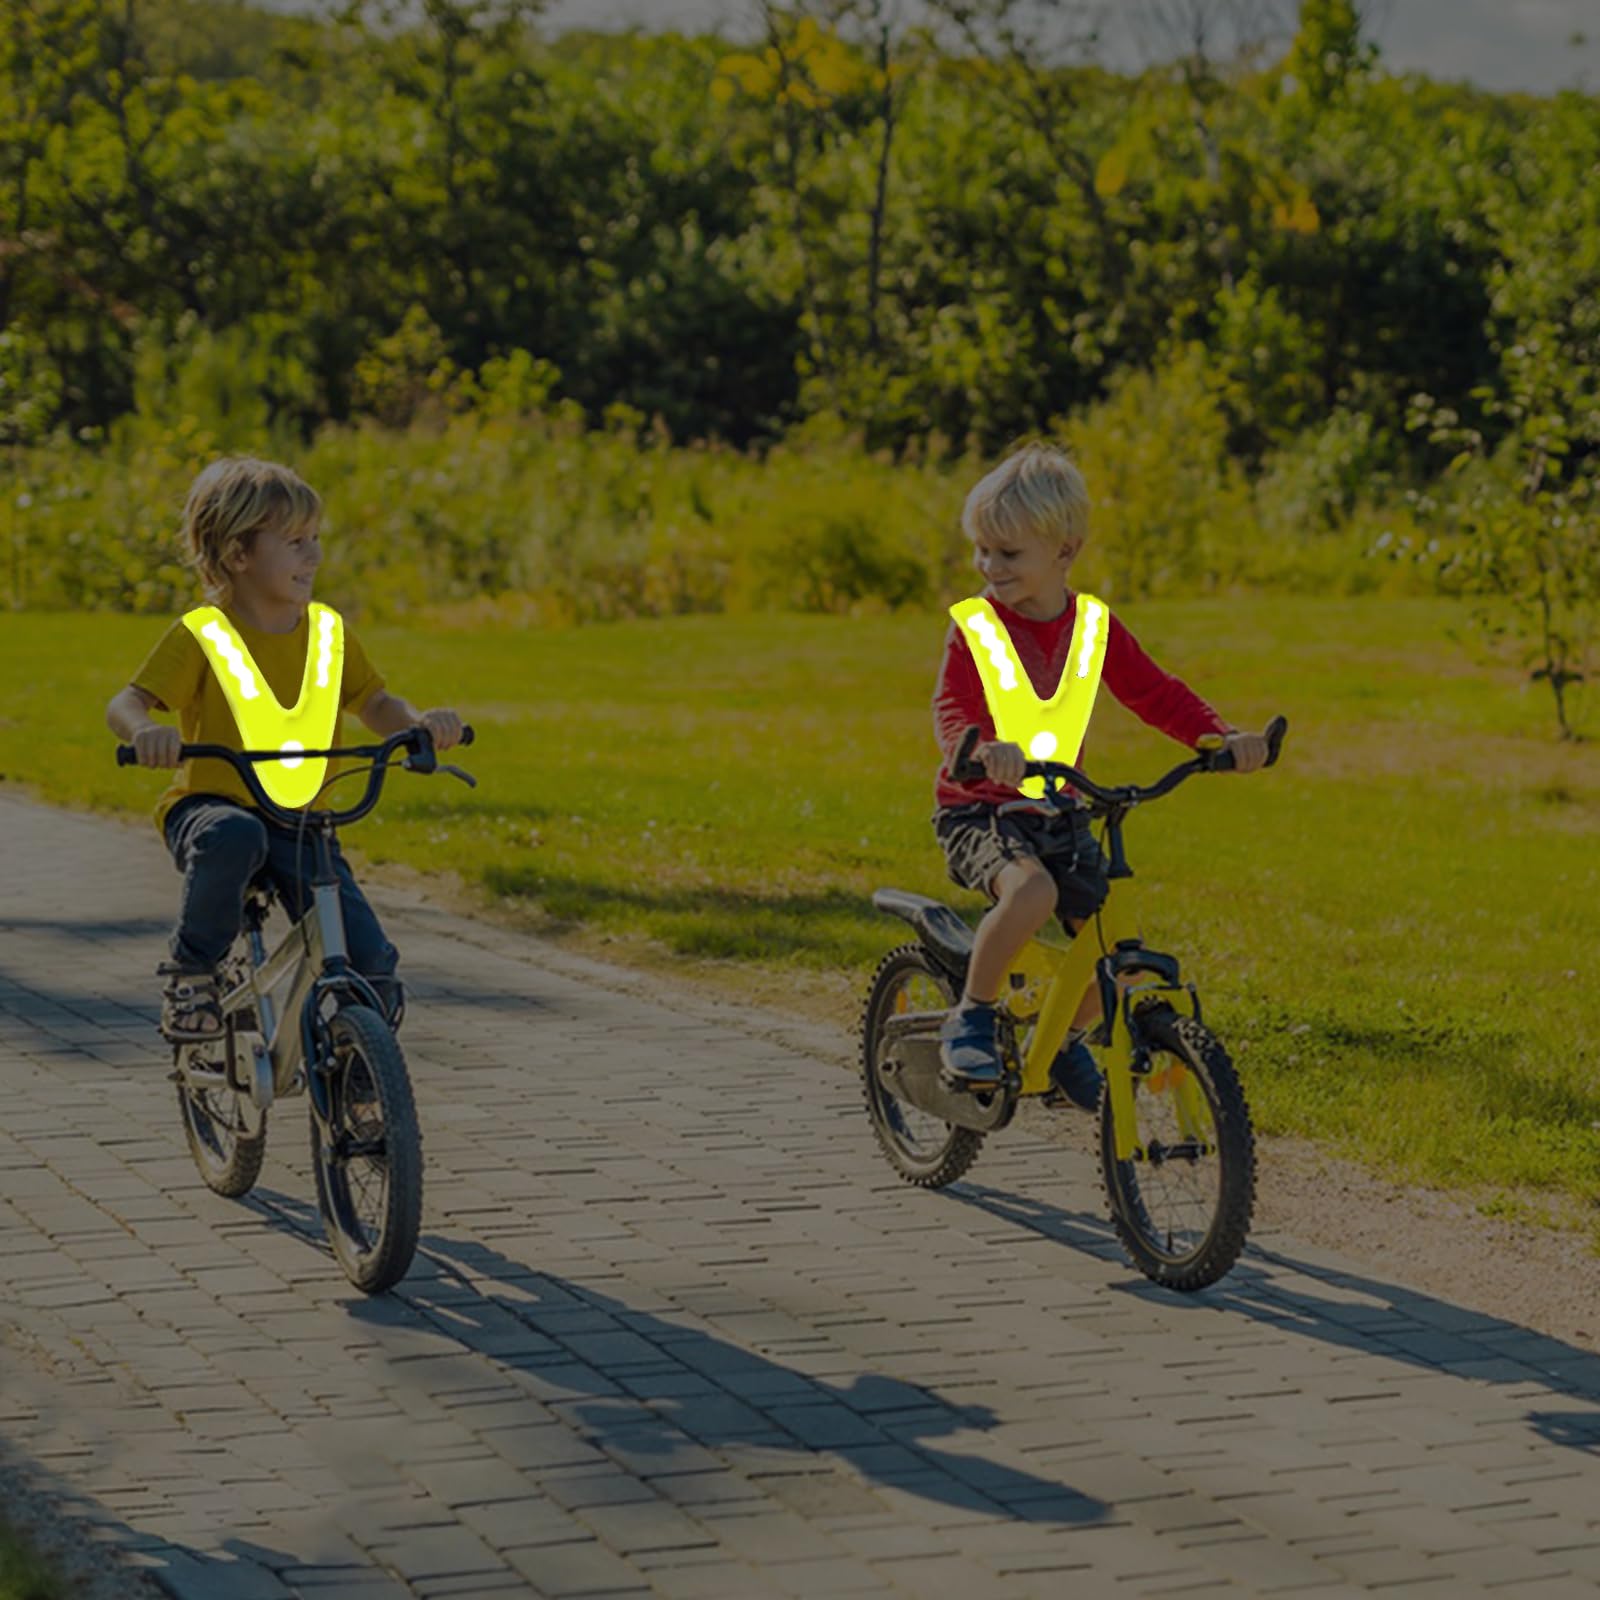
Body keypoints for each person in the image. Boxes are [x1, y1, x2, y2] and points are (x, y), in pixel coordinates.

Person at [932, 443, 1269, 1101]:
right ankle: (971, 1015)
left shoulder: (1093, 628)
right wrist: (980, 748)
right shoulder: (978, 627)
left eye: (1008, 553)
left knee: (1118, 951)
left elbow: (1155, 692)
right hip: (982, 808)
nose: (989, 567)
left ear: (1065, 551)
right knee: (1033, 894)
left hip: (1057, 810)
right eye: (982, 550)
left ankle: (1057, 1042)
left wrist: (1220, 737)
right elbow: (953, 706)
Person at [105, 457, 465, 1042]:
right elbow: (125, 703)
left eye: (316, 538)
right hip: (213, 807)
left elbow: (374, 702)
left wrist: (419, 723)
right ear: (238, 554)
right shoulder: (204, 633)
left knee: (373, 968)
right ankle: (193, 972)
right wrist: (144, 730)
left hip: (301, 821)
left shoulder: (328, 633)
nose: (314, 555)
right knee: (234, 834)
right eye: (296, 542)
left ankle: (355, 1076)